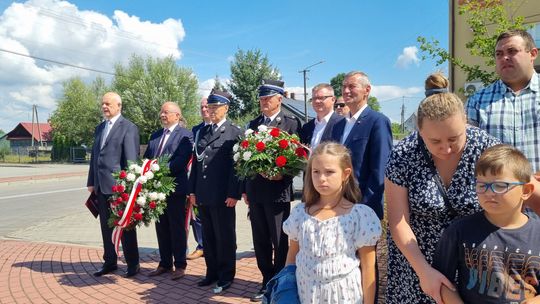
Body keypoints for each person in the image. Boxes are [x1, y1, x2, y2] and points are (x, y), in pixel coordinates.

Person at [385, 73, 501, 304]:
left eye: (454, 139)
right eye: (435, 141)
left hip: (475, 262)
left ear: (466, 122)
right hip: (416, 261)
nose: (446, 149)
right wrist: (424, 271)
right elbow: (399, 221)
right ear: (419, 131)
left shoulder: (486, 148)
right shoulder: (403, 154)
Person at [433, 144, 540, 303]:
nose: (489, 193)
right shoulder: (458, 231)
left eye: (500, 186)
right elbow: (441, 282)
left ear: (525, 191)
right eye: (482, 185)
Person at [283, 142, 381, 303]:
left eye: (329, 172)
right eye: (316, 172)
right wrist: (286, 290)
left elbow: (368, 267)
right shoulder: (301, 213)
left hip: (344, 295)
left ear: (345, 174)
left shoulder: (360, 216)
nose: (321, 178)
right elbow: (292, 256)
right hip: (306, 293)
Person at [466, 29, 540, 215]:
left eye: (512, 51)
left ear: (533, 54)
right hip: (497, 212)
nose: (504, 57)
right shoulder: (477, 101)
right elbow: (468, 157)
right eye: (499, 54)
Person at [242, 79, 302, 302]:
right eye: (261, 98)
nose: (264, 101)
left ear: (280, 98)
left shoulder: (291, 123)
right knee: (260, 240)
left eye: (268, 97)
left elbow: (297, 159)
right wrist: (245, 190)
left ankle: (279, 280)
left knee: (280, 240)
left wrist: (282, 175)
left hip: (278, 193)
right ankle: (265, 280)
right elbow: (243, 160)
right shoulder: (253, 123)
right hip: (256, 192)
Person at [189, 90, 243, 294]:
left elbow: (237, 168)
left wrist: (233, 193)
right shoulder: (202, 132)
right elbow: (196, 164)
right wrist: (192, 191)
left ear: (226, 108)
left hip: (223, 196)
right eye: (209, 107)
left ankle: (226, 275)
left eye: (215, 107)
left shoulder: (234, 132)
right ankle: (211, 273)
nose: (210, 111)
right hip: (203, 194)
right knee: (208, 237)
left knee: (225, 237)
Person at [87, 92, 140, 278]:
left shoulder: (129, 127)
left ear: (119, 105)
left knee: (125, 226)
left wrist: (129, 186)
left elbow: (132, 161)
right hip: (101, 186)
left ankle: (133, 263)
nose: (104, 107)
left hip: (120, 188)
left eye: (108, 104)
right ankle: (110, 262)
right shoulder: (100, 128)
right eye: (102, 104)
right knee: (106, 226)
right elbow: (95, 156)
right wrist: (91, 181)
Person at [331, 71, 393, 219]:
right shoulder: (338, 125)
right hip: (336, 206)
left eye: (352, 86)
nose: (346, 91)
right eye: (344, 86)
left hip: (362, 209)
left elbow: (380, 171)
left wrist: (364, 209)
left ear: (367, 90)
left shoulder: (377, 122)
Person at [144, 102, 193, 280]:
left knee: (176, 227)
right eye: (161, 112)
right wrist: (146, 172)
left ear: (177, 116)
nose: (162, 115)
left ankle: (180, 264)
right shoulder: (155, 135)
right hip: (156, 190)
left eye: (166, 112)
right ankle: (165, 263)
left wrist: (157, 170)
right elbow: (147, 158)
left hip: (175, 188)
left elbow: (181, 161)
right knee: (161, 226)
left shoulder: (186, 136)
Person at [187, 97, 210, 260]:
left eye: (206, 106)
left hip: (214, 182)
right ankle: (201, 245)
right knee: (196, 215)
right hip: (196, 179)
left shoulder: (229, 129)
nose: (204, 109)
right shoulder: (195, 130)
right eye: (201, 107)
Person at [299, 83, 344, 149]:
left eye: (321, 98)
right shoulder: (307, 127)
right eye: (314, 98)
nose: (317, 101)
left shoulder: (342, 123)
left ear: (333, 99)